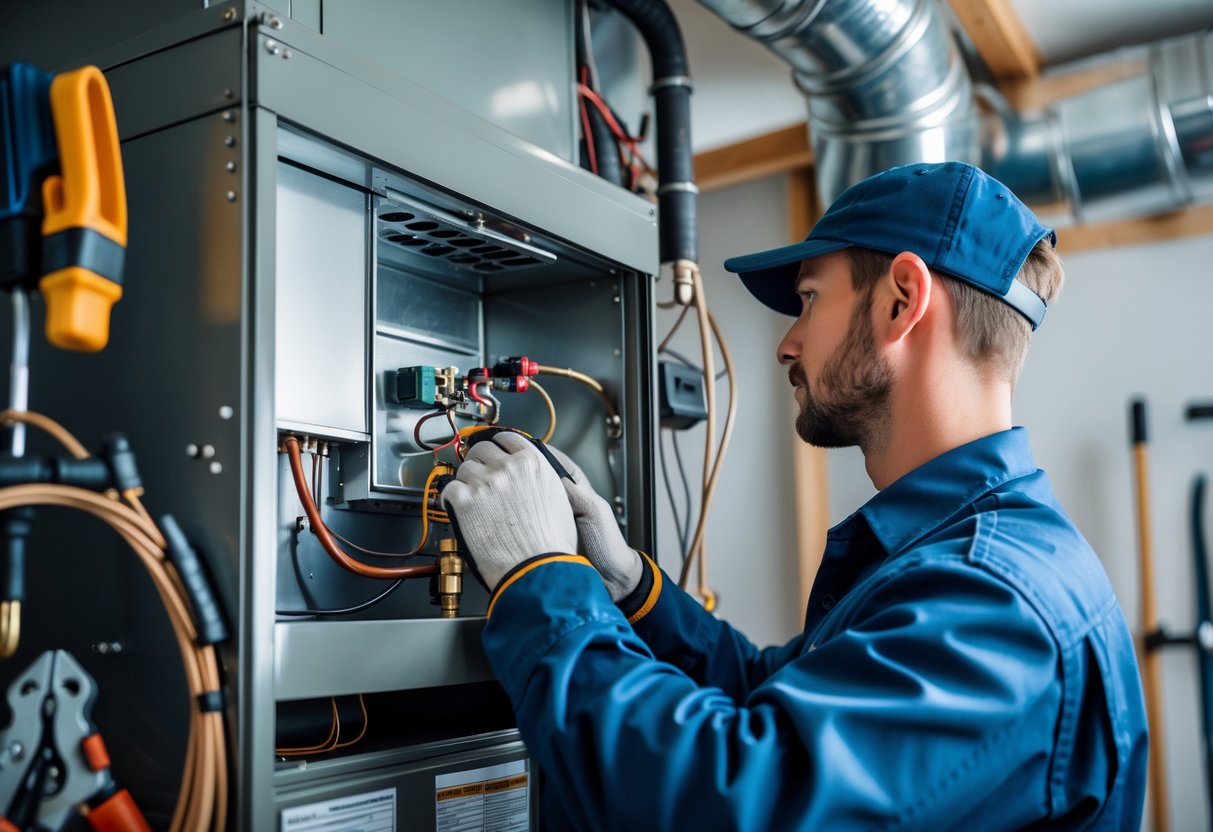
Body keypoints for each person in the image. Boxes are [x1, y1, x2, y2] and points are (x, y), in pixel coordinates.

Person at [441, 161, 1148, 830]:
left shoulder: (991, 602)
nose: (788, 343)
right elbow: (766, 692)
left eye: (809, 300)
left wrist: (538, 581)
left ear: (902, 301)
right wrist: (627, 586)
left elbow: (735, 806)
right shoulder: (956, 560)